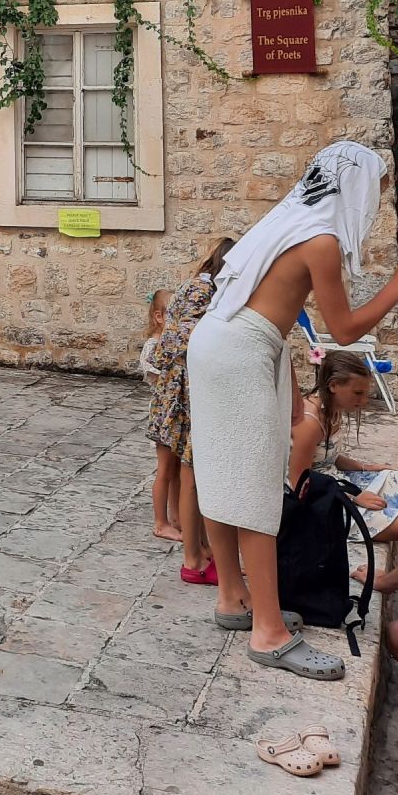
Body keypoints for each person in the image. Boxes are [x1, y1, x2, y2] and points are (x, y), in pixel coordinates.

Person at [186, 140, 398, 681]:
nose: (374, 206)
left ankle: (233, 597)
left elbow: (267, 313)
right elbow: (344, 329)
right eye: (373, 193)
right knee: (259, 487)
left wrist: (281, 381)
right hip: (241, 352)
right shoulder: (320, 240)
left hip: (217, 343)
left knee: (220, 473)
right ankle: (268, 631)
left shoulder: (285, 222)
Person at [148, 239, 235, 583]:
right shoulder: (203, 290)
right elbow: (182, 340)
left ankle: (199, 546)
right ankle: (193, 558)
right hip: (184, 393)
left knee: (189, 474)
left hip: (181, 389)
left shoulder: (196, 286)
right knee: (189, 474)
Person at [289, 349, 398, 543]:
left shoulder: (332, 407)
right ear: (333, 385)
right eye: (358, 393)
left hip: (338, 481)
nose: (364, 401)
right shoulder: (309, 423)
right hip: (320, 499)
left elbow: (326, 457)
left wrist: (366, 467)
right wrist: (353, 497)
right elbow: (299, 483)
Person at [141, 289, 179, 540]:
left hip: (177, 415)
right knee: (165, 469)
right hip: (164, 416)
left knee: (177, 469)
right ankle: (160, 522)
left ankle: (177, 517)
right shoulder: (154, 346)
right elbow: (161, 378)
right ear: (159, 317)